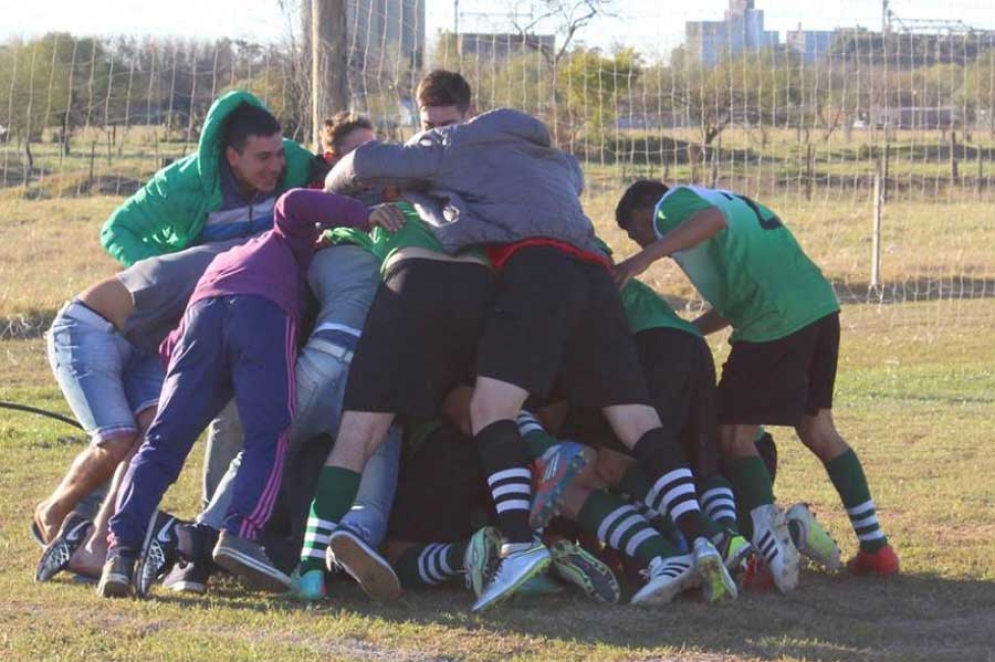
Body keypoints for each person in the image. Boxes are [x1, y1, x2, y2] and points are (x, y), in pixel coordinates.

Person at [323, 70, 737, 612]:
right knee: (637, 421)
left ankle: (518, 545)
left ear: (456, 118)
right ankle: (699, 538)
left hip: (537, 270)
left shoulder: (451, 146)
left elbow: (364, 164)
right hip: (595, 275)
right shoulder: (555, 158)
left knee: (490, 408)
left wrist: (333, 188)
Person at [613, 181, 900, 582]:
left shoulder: (669, 206)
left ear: (642, 214)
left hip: (774, 319)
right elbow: (732, 305)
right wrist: (689, 330)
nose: (639, 239)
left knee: (732, 434)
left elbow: (710, 221)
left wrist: (642, 258)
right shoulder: (719, 199)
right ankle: (876, 549)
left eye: (633, 232)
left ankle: (771, 553)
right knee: (818, 429)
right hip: (818, 307)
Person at [97, 189, 370, 599]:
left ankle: (120, 554)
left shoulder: (225, 260)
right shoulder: (287, 240)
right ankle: (240, 535)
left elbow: (171, 347)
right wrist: (363, 216)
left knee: (162, 441)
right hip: (262, 313)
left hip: (199, 319)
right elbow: (292, 203)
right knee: (270, 433)